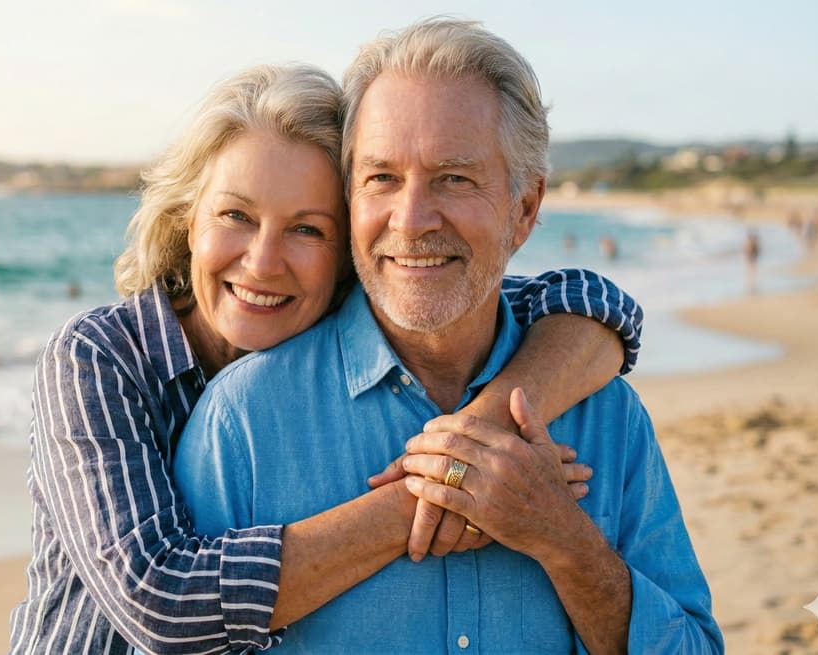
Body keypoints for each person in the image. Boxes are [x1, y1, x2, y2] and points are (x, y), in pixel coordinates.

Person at [8, 64, 645, 654]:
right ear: (186, 220)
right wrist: (460, 483)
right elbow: (162, 603)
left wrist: (490, 424)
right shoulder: (100, 358)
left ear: (349, 245)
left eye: (307, 229)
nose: (262, 262)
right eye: (236, 215)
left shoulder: (333, 331)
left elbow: (590, 303)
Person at [176, 19, 721, 653]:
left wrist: (565, 541)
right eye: (382, 177)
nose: (410, 221)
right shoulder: (241, 421)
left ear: (524, 209)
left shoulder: (607, 416)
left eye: (454, 178)